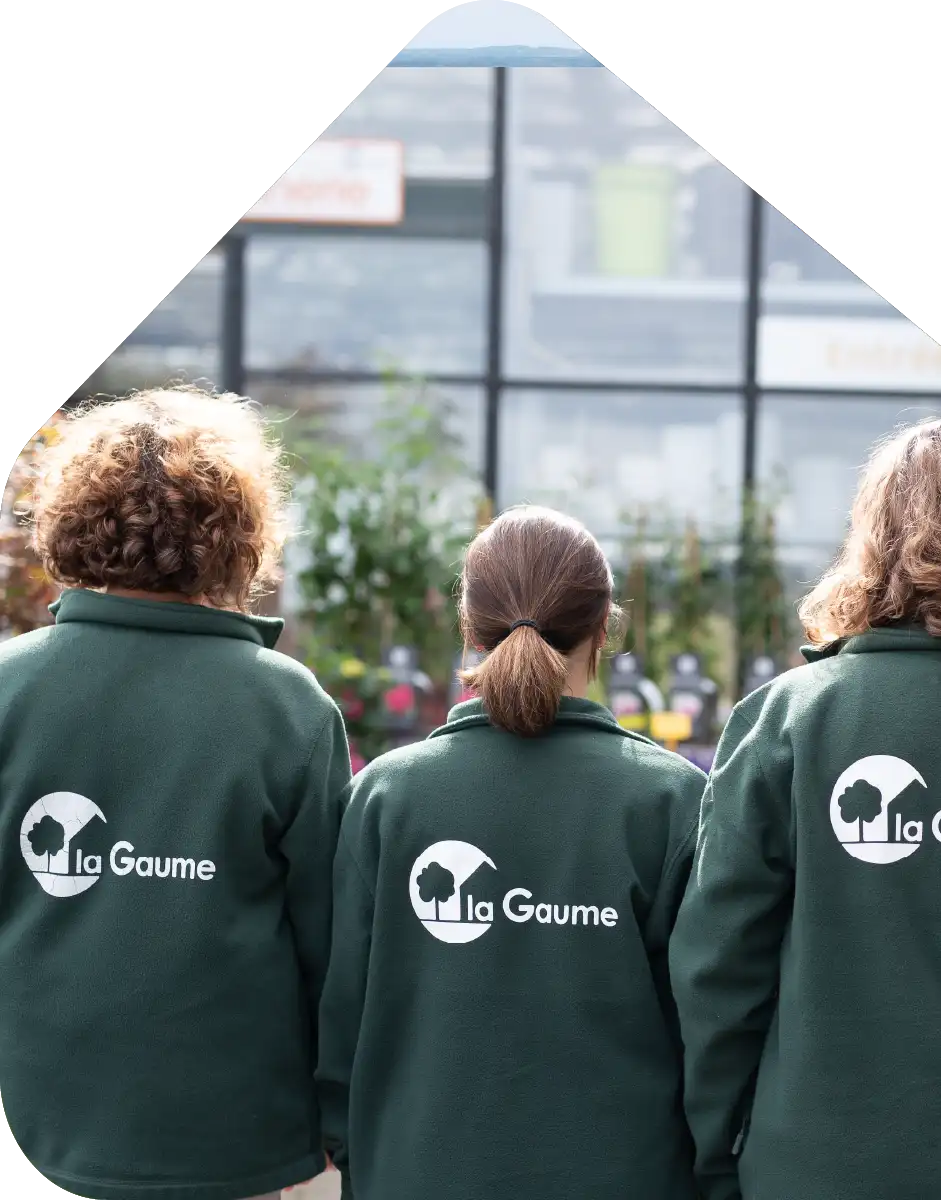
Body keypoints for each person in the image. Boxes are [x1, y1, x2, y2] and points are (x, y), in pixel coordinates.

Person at [669, 413, 941, 1200]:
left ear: (878, 536)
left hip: (815, 1170)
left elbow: (718, 971)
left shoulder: (791, 719)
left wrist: (716, 1153)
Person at [0, 386, 351, 1200]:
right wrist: (340, 1124)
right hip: (241, 1147)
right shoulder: (287, 708)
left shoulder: (9, 691)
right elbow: (331, 952)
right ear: (238, 535)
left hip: (31, 1135)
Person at [316, 504, 707, 1200]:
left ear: (467, 628)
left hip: (414, 1174)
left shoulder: (385, 796)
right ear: (603, 628)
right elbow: (704, 1028)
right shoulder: (670, 801)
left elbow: (338, 1015)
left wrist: (355, 1150)